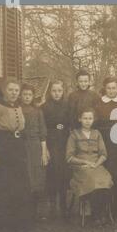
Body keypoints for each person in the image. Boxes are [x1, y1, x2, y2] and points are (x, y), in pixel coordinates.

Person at [0, 79, 32, 232]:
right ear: (4, 91)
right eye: (10, 90)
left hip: (17, 150)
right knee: (5, 188)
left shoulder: (18, 106)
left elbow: (20, 128)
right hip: (2, 150)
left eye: (16, 90)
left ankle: (19, 224)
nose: (14, 93)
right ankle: (3, 227)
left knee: (19, 187)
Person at [66, 108, 113, 226]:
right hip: (81, 167)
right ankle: (96, 215)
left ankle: (102, 213)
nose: (87, 121)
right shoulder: (74, 134)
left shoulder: (97, 133)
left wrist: (96, 164)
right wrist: (84, 162)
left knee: (105, 179)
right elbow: (69, 157)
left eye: (90, 118)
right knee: (92, 180)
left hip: (96, 165)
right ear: (80, 119)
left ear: (93, 120)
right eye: (85, 118)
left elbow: (104, 154)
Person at [94, 77, 117, 217]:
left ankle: (115, 205)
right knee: (104, 170)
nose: (111, 91)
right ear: (105, 88)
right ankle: (104, 204)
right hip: (103, 140)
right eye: (109, 88)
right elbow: (95, 124)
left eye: (114, 88)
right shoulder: (98, 103)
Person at [41, 80, 70, 219]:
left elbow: (70, 123)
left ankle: (63, 206)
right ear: (50, 92)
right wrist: (45, 148)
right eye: (54, 91)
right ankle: (52, 206)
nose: (57, 93)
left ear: (63, 91)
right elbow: (43, 128)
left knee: (63, 175)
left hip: (64, 143)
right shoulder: (45, 107)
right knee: (52, 175)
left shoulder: (67, 105)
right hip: (51, 143)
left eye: (59, 90)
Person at [20, 83, 49, 220]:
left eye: (29, 95)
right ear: (21, 95)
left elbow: (42, 133)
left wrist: (43, 152)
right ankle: (24, 212)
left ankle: (37, 211)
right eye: (24, 94)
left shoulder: (37, 111)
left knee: (37, 176)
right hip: (21, 145)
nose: (27, 97)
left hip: (35, 145)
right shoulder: (17, 109)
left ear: (33, 97)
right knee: (24, 175)